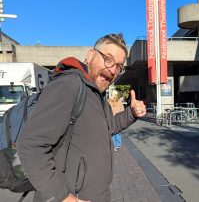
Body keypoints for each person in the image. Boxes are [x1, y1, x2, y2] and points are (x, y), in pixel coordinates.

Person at [16, 33, 146, 202]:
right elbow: (30, 144)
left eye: (119, 66)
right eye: (108, 59)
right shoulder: (69, 85)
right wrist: (61, 196)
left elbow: (107, 127)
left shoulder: (97, 95)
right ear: (91, 55)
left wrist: (131, 114)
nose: (113, 70)